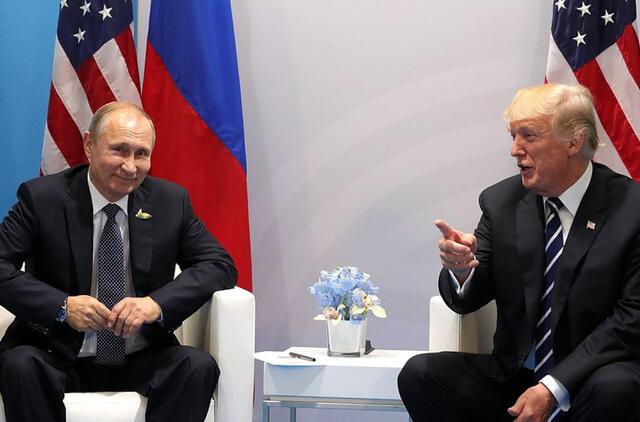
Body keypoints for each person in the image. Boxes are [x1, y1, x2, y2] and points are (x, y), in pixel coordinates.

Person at [398, 83, 640, 421]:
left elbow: (632, 318)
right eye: (513, 136)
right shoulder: (502, 203)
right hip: (515, 377)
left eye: (528, 136)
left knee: (618, 388)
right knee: (421, 374)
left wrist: (553, 387)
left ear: (574, 142)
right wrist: (462, 271)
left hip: (590, 378)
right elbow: (470, 298)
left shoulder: (631, 208)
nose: (514, 150)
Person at [0, 101, 238, 422]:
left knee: (196, 366)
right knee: (20, 365)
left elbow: (219, 265)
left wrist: (156, 304)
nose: (130, 166)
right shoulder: (42, 198)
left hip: (140, 355)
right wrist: (63, 307)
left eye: (141, 154)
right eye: (119, 150)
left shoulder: (170, 202)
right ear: (89, 145)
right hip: (54, 351)